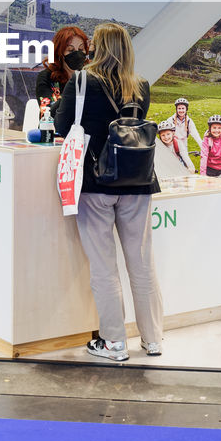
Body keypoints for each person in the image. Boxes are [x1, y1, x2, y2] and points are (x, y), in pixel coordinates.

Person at [53, 23, 162, 362]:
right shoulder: (141, 86)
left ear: (96, 48)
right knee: (142, 264)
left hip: (95, 182)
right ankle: (152, 339)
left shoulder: (84, 81)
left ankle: (114, 343)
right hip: (138, 182)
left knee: (104, 267)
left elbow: (61, 126)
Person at [35, 25, 89, 105]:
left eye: (81, 49)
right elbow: (47, 110)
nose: (77, 54)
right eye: (70, 50)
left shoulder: (90, 77)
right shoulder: (46, 77)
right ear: (59, 52)